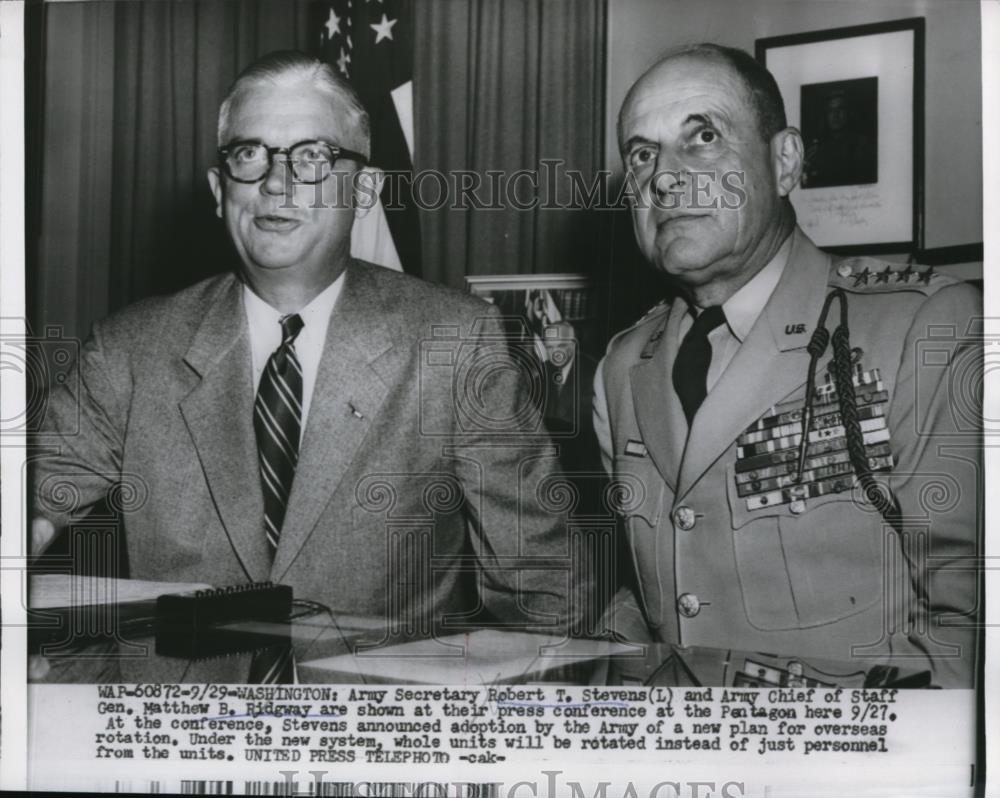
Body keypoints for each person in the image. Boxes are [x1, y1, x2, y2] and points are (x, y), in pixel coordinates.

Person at [31, 51, 574, 681]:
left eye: (312, 156)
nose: (276, 184)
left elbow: (541, 588)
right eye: (249, 154)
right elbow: (31, 490)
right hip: (177, 743)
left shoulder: (455, 343)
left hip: (376, 745)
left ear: (365, 190)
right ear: (219, 190)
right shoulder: (130, 348)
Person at [594, 43, 980, 687]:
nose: (664, 176)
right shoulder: (623, 365)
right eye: (642, 154)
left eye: (704, 137)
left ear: (784, 161)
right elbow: (655, 597)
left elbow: (972, 622)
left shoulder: (922, 326)